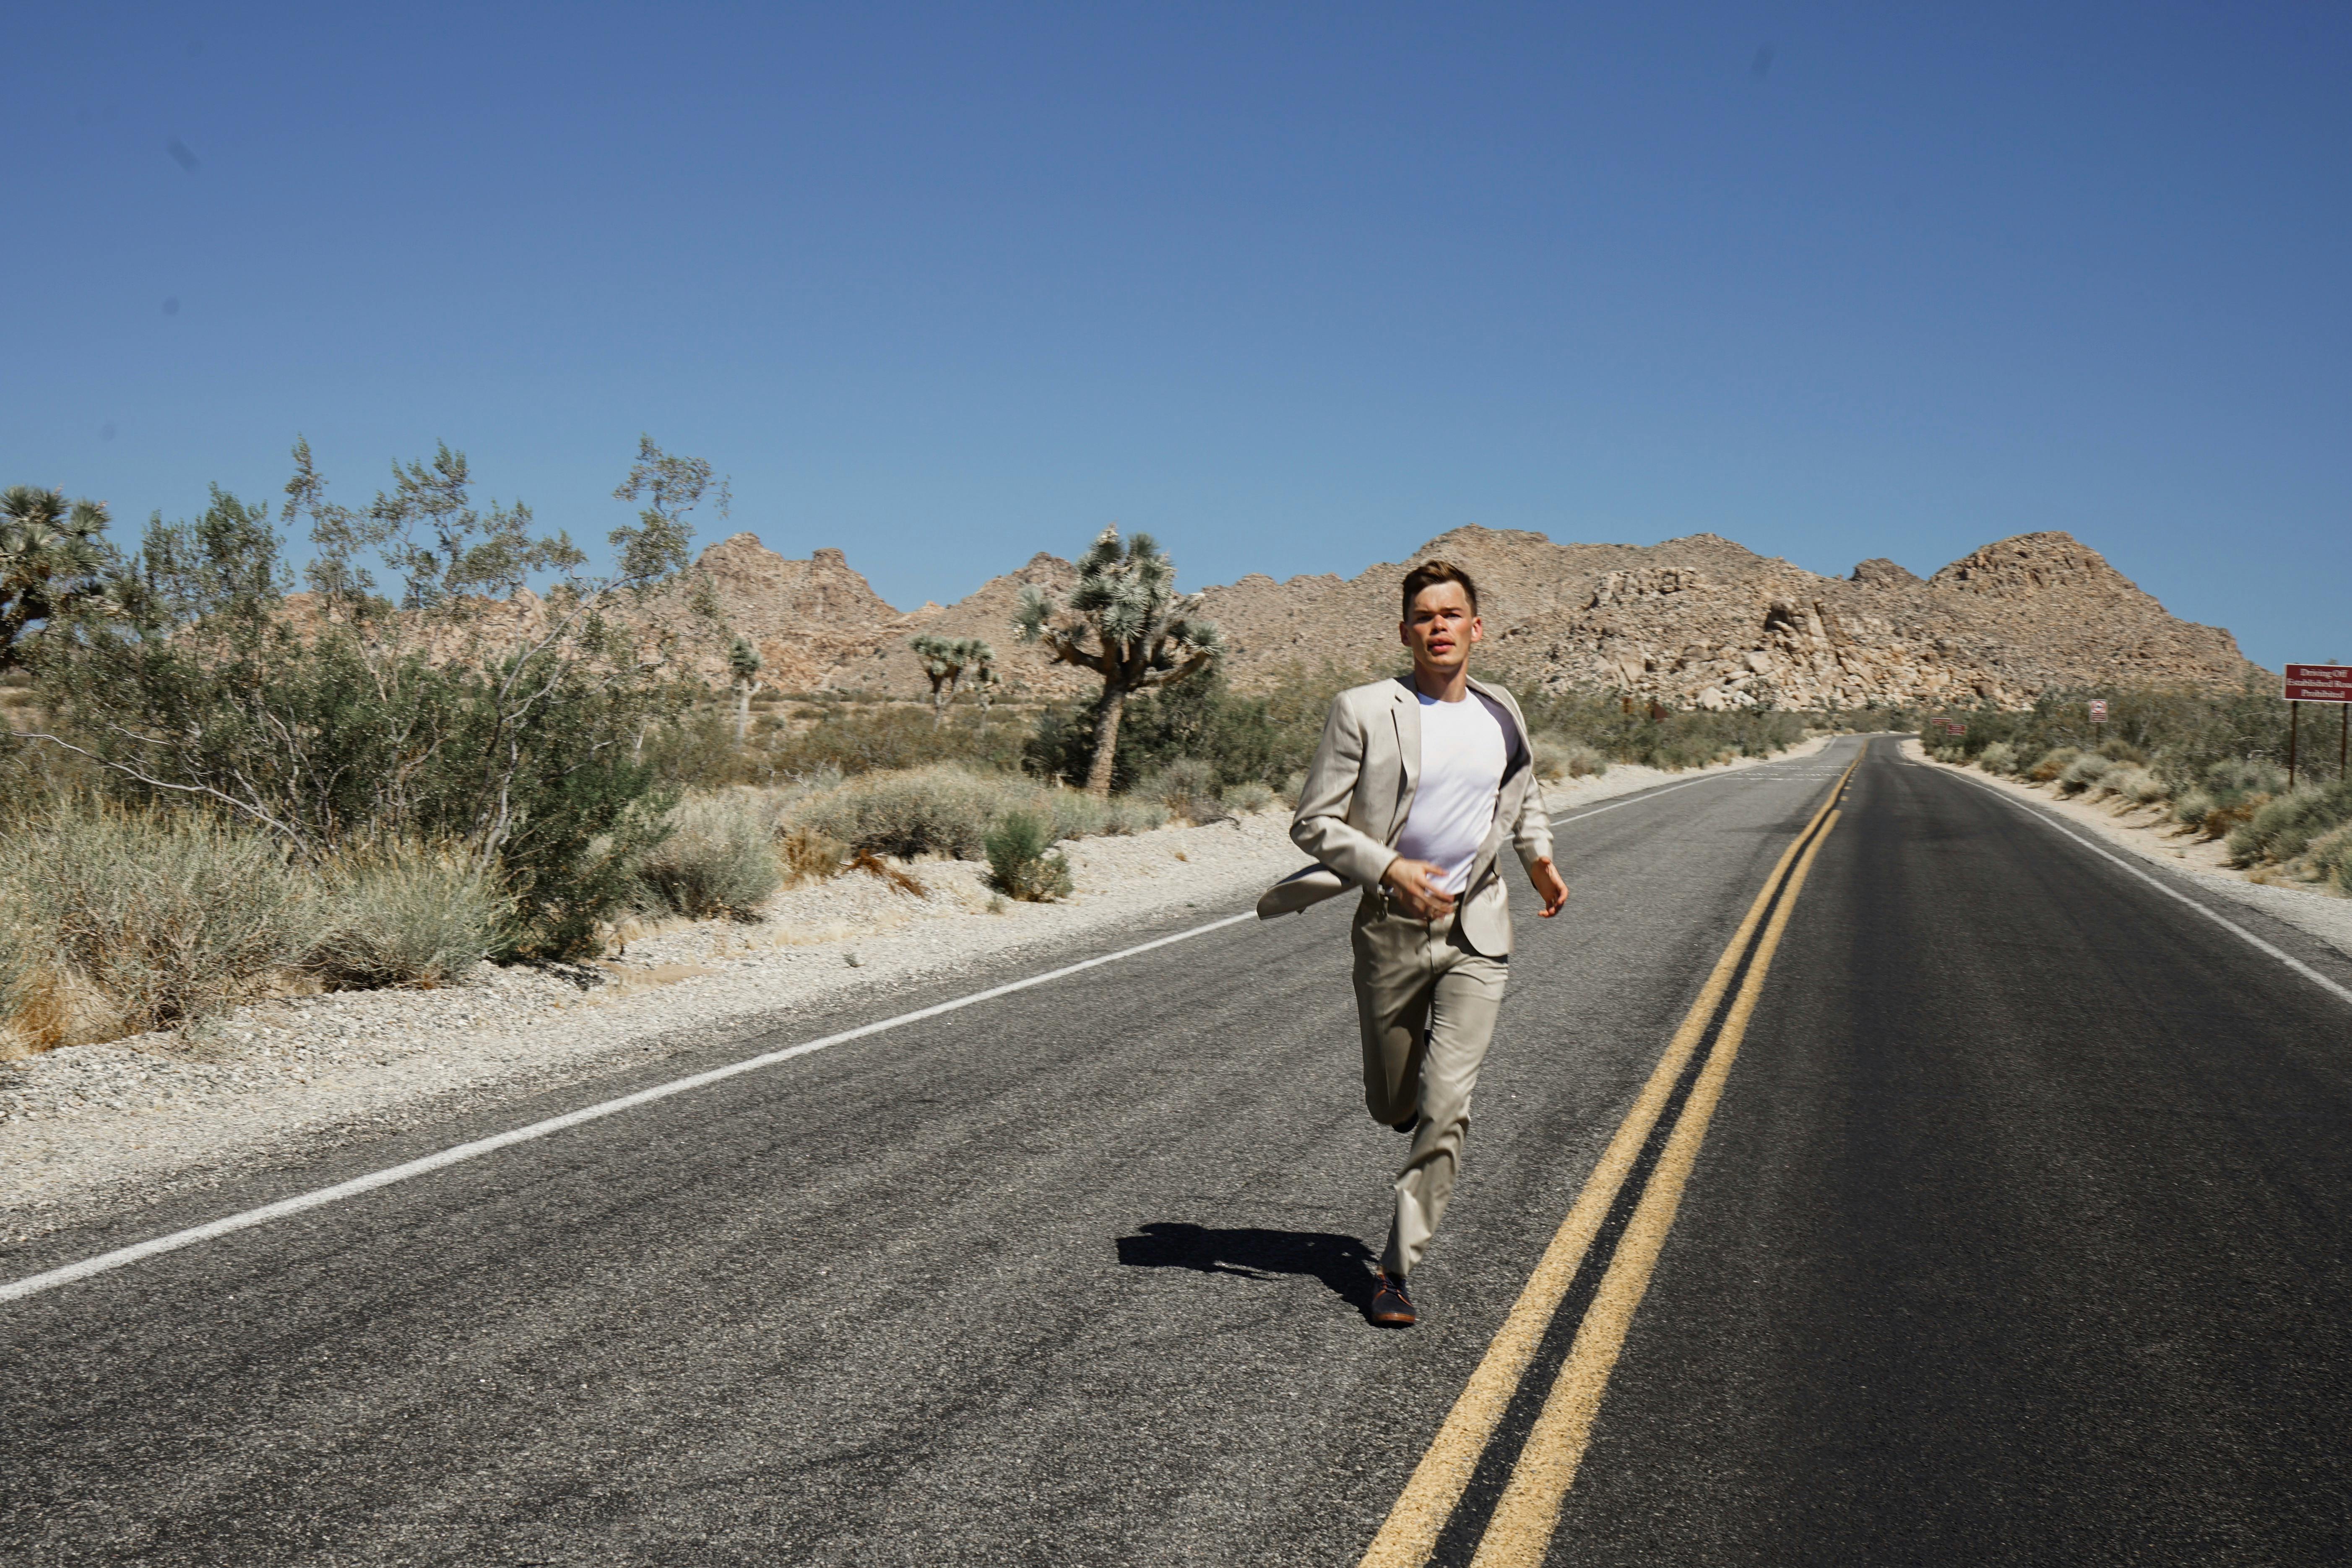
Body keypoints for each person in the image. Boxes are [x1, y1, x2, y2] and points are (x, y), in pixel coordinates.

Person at [1261, 560, 1568, 1327]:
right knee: (1393, 1101)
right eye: (1425, 616)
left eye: (1453, 613)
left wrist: (1540, 860)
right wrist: (1390, 867)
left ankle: (1394, 1270)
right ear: (1406, 633)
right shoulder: (1365, 710)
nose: (1439, 626)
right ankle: (1403, 1102)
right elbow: (1314, 823)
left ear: (1477, 627)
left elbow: (1522, 792)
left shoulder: (1504, 711)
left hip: (1477, 927)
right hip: (1391, 934)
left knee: (1447, 1106)